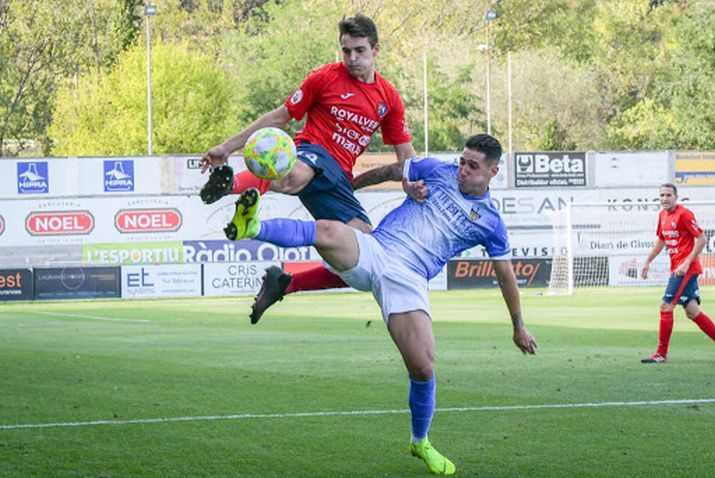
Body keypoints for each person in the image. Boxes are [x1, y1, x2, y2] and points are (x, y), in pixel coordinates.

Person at [223, 134, 538, 475]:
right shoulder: (437, 170)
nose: (463, 170)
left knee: (423, 367)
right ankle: (252, 226)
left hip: (409, 280)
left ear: (493, 171)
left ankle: (420, 441)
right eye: (462, 161)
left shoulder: (491, 222)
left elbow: (506, 275)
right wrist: (363, 185)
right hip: (377, 251)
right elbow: (391, 169)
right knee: (328, 230)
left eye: (472, 166)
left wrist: (518, 326)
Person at [198, 14, 418, 324]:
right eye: (346, 51)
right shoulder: (325, 77)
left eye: (359, 51)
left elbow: (406, 156)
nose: (352, 58)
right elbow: (280, 117)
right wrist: (226, 147)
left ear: (376, 50)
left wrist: (420, 187)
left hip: (338, 179)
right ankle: (229, 184)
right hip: (314, 152)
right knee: (292, 176)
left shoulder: (388, 98)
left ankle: (286, 283)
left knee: (368, 262)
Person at [640, 183, 715, 363]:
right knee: (692, 311)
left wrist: (687, 262)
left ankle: (660, 354)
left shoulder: (684, 214)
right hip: (678, 268)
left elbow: (701, 239)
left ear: (676, 197)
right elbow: (661, 241)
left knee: (665, 307)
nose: (664, 199)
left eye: (668, 195)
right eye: (662, 195)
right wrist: (648, 261)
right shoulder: (662, 215)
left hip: (685, 270)